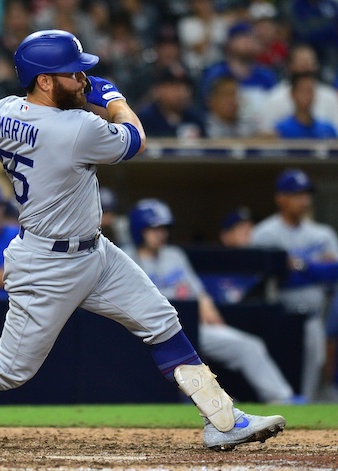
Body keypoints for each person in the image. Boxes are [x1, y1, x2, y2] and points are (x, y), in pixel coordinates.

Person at [0, 29, 285, 451]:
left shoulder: (2, 113)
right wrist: (116, 101)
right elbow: (136, 139)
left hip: (96, 252)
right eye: (74, 74)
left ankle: (223, 419)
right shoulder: (77, 127)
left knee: (162, 322)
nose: (85, 81)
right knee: (10, 371)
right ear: (45, 81)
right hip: (46, 264)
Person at [123, 198, 295, 404]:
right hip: (153, 335)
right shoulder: (126, 258)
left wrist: (210, 311)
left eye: (163, 228)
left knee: (249, 346)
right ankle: (217, 405)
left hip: (192, 327)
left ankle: (283, 399)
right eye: (153, 228)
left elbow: (200, 295)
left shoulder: (174, 255)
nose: (161, 233)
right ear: (138, 229)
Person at [251, 168, 338, 402]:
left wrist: (299, 265)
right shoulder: (264, 234)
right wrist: (315, 268)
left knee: (312, 374)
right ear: (281, 198)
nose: (304, 200)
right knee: (281, 376)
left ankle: (306, 427)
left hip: (313, 318)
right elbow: (276, 277)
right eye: (297, 194)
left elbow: (334, 272)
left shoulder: (322, 233)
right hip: (279, 317)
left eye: (306, 194)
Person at [137, 67, 205, 139]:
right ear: (158, 89)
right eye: (173, 86)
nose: (181, 92)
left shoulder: (194, 118)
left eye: (184, 86)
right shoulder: (145, 119)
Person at [273, 73, 338, 139]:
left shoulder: (328, 129)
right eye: (302, 91)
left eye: (309, 91)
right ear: (292, 94)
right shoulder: (280, 130)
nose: (306, 96)